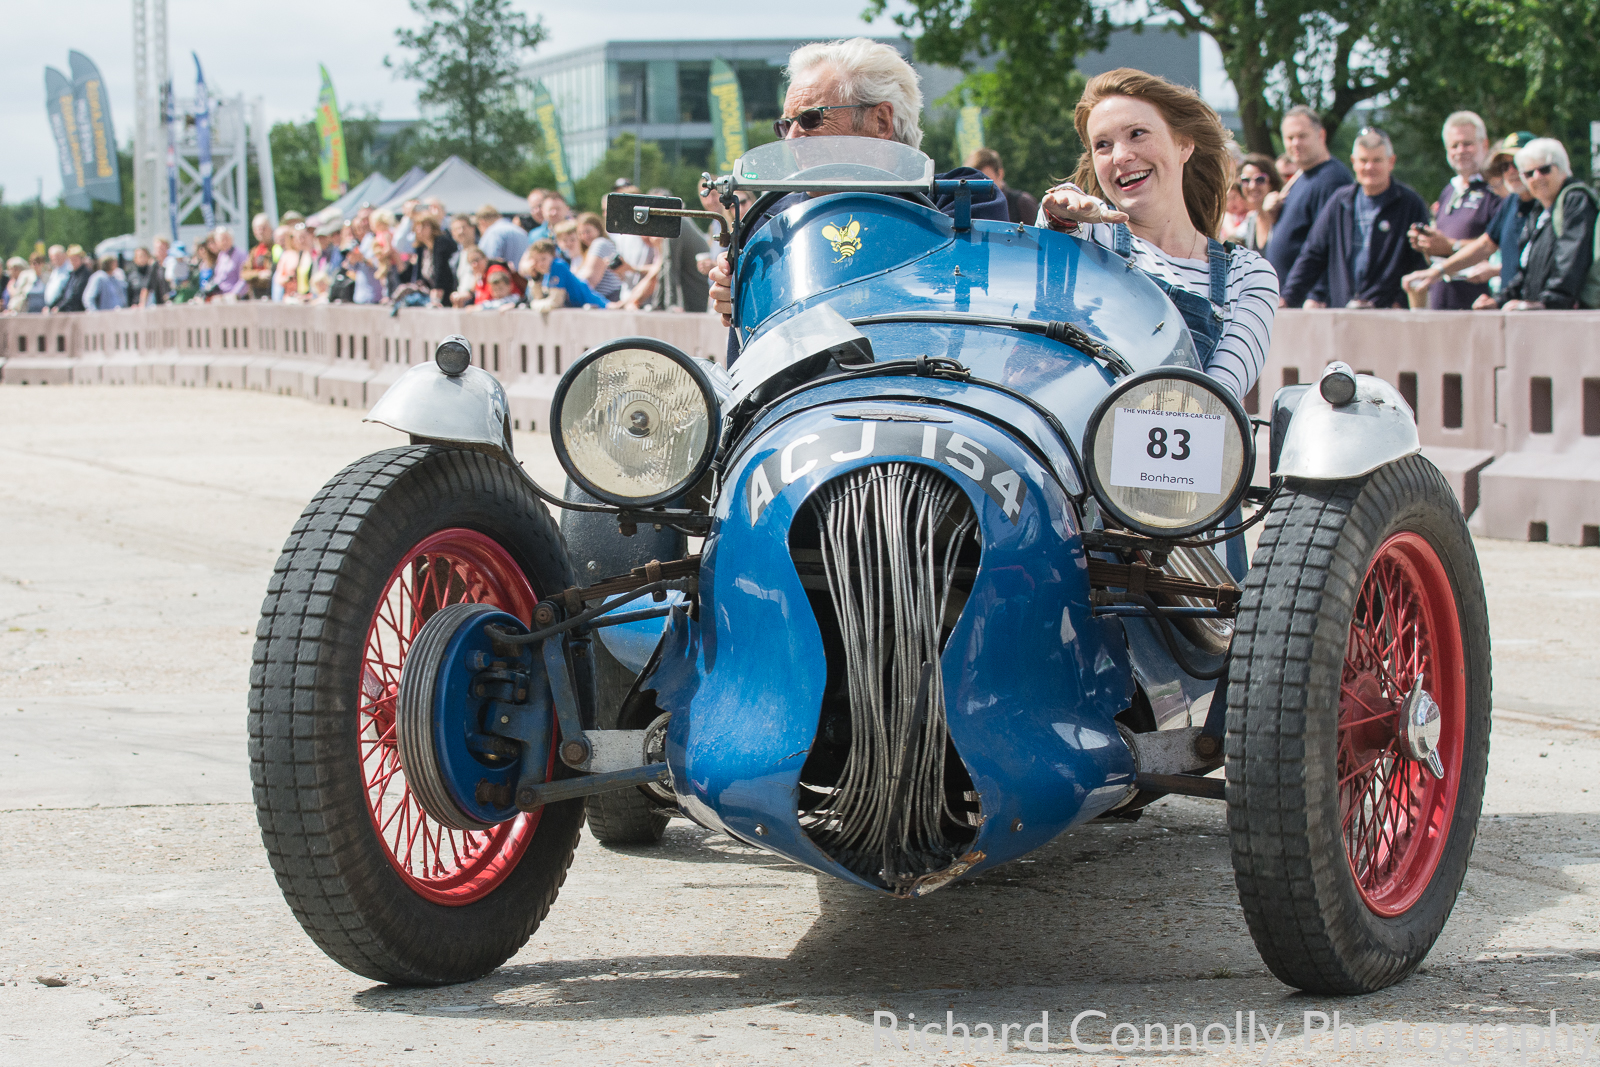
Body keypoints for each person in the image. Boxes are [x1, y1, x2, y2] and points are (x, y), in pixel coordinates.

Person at [708, 37, 1008, 340]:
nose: (791, 139)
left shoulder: (963, 199)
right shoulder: (769, 221)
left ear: (880, 121)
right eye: (785, 125)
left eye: (810, 119)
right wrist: (741, 294)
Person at [1039, 67, 1277, 402]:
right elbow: (1049, 241)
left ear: (1184, 144)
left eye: (1137, 133)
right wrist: (1060, 211)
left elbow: (1216, 403)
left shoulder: (1248, 274)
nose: (1121, 156)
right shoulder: (1090, 240)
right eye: (1103, 145)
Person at [1280, 128, 1429, 309]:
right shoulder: (1340, 201)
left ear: (1391, 162)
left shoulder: (1409, 204)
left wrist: (1399, 303)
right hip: (1345, 310)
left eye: (1377, 160)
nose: (1369, 167)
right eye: (1364, 160)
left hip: (1389, 314)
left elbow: (1419, 260)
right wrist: (1288, 298)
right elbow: (1313, 253)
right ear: (1353, 162)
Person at [1403, 132, 1539, 303]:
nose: (1511, 171)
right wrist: (1437, 272)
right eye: (1504, 166)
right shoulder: (1511, 202)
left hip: (1539, 309)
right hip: (1509, 307)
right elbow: (1485, 244)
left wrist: (1495, 270)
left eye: (1517, 163)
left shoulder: (1550, 204)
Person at [1403, 112, 1501, 309]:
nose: (1460, 151)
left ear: (1484, 144)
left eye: (1467, 144)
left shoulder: (1496, 190)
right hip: (1442, 299)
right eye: (1454, 146)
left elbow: (1497, 246)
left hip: (1479, 303)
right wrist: (1428, 244)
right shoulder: (1449, 190)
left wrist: (1450, 246)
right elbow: (1439, 252)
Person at [1493, 138, 1597, 311]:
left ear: (1562, 169)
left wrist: (1547, 303)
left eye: (1544, 169)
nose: (1537, 177)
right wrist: (1499, 301)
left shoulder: (1576, 200)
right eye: (1528, 174)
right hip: (1541, 318)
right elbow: (1525, 271)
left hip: (1570, 318)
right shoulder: (1538, 211)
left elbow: (1571, 260)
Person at [1263, 105, 1354, 285]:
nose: (1295, 143)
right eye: (1289, 138)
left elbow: (1330, 244)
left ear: (1321, 135)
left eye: (1302, 136)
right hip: (1289, 296)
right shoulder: (1302, 177)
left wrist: (1318, 294)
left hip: (1310, 301)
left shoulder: (1331, 179)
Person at [521, 238, 606, 308]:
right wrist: (536, 278)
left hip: (597, 307)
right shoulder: (546, 273)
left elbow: (554, 303)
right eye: (536, 260)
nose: (540, 264)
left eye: (543, 259)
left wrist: (532, 305)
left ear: (553, 255)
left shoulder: (557, 266)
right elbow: (539, 298)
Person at [966, 147, 1040, 225]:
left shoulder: (1022, 203)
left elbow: (1038, 235)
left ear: (1000, 174)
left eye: (985, 180)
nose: (980, 186)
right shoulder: (968, 209)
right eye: (975, 181)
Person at [1230, 153, 1282, 252]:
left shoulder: (1281, 213)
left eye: (1260, 179)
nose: (1252, 186)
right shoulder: (1251, 221)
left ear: (1271, 183)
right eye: (1245, 180)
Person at [402, 214, 457, 304]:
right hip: (429, 293)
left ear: (433, 227)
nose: (420, 230)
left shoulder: (441, 243)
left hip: (446, 293)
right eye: (417, 227)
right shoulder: (422, 248)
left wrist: (437, 291)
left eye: (424, 226)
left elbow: (442, 270)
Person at [573, 212, 624, 300]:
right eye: (581, 233)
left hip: (608, 300)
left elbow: (590, 280)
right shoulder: (587, 251)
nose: (585, 236)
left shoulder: (600, 243)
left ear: (598, 229)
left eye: (588, 231)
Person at [48, 246, 92, 312]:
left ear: (81, 259)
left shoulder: (85, 275)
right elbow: (64, 293)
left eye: (75, 259)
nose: (73, 261)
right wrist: (51, 306)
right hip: (68, 310)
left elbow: (75, 295)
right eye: (71, 259)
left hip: (78, 312)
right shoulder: (72, 274)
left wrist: (60, 308)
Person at [242, 215, 276, 300]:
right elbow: (244, 273)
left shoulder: (276, 248)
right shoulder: (254, 251)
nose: (260, 232)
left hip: (273, 292)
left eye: (263, 228)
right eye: (257, 229)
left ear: (270, 229)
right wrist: (259, 274)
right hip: (256, 294)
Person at [210, 227, 247, 299]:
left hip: (236, 297)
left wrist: (233, 294)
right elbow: (219, 277)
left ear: (232, 239)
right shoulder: (221, 255)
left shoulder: (241, 254)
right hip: (221, 296)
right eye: (221, 240)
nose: (224, 242)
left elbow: (244, 278)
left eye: (226, 239)